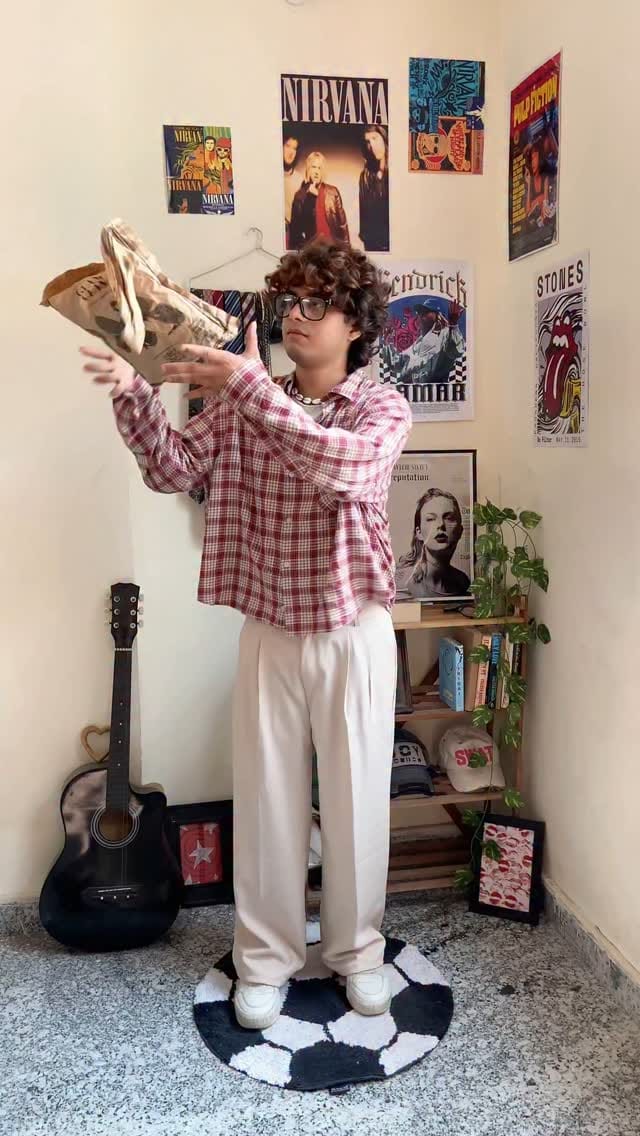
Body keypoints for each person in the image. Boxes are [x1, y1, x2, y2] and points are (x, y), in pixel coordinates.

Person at [80, 238, 412, 1031]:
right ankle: (264, 961)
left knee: (358, 807)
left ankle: (358, 953)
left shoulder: (381, 407)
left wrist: (251, 388)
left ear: (356, 325)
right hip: (271, 627)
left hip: (355, 631)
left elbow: (342, 468)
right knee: (266, 804)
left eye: (316, 304)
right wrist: (135, 394)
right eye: (288, 301)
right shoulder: (244, 397)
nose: (295, 316)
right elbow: (171, 470)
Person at [395, 488, 470, 600]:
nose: (440, 524)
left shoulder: (462, 581)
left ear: (460, 531)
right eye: (430, 519)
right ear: (419, 532)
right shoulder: (402, 582)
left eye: (449, 518)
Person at [289, 153, 349, 248]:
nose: (316, 171)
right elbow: (295, 231)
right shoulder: (299, 196)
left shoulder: (333, 192)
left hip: (332, 248)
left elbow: (343, 225)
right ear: (308, 169)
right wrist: (310, 197)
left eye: (320, 168)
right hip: (313, 249)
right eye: (314, 167)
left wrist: (347, 250)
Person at [399, 299, 464, 383]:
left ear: (439, 316)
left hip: (438, 389)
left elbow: (456, 351)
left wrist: (453, 325)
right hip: (417, 389)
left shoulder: (445, 334)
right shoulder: (419, 341)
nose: (421, 315)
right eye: (419, 312)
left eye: (426, 312)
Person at [358, 124, 389, 251]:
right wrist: (366, 239)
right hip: (372, 244)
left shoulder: (396, 172)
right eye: (368, 142)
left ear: (384, 138)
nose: (371, 145)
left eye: (375, 138)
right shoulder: (365, 175)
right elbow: (364, 213)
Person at [283, 132, 302, 244]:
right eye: (288, 146)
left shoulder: (300, 180)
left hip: (294, 237)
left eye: (294, 148)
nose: (291, 152)